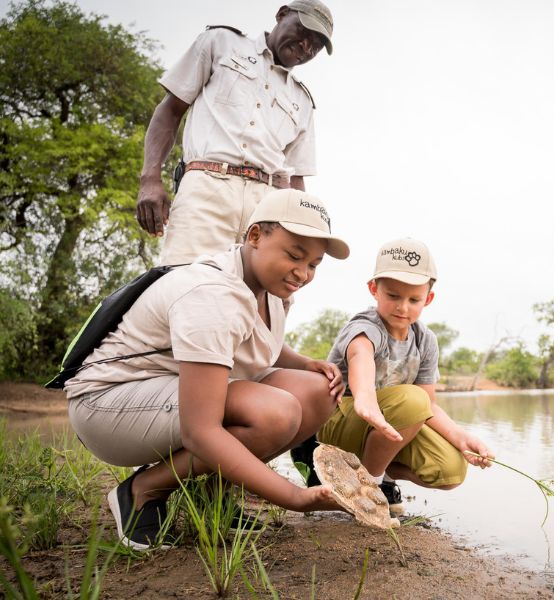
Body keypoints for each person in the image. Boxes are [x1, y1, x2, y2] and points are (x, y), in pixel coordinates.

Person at [65, 188, 349, 550]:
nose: (303, 273)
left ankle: (213, 497)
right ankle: (142, 492)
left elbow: (255, 338)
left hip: (163, 392)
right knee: (275, 412)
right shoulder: (213, 294)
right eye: (295, 255)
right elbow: (201, 431)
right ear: (255, 236)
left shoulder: (271, 289)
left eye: (313, 264)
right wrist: (293, 497)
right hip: (106, 407)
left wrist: (306, 364)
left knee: (318, 391)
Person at [136, 0, 334, 266]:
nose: (306, 47)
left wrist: (300, 234)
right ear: (282, 14)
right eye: (303, 32)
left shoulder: (303, 101)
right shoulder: (221, 43)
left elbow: (295, 179)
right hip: (206, 189)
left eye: (316, 46)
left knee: (255, 292)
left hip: (266, 210)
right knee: (185, 279)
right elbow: (171, 111)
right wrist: (150, 179)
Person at [313, 238, 494, 516]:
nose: (403, 307)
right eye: (393, 296)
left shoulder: (425, 340)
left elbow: (429, 405)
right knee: (413, 399)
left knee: (450, 469)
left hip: (386, 426)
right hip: (344, 418)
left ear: (428, 299)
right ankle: (369, 487)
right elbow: (360, 354)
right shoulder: (366, 326)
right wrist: (365, 397)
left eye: (414, 300)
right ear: (374, 289)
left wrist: (460, 437)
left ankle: (375, 474)